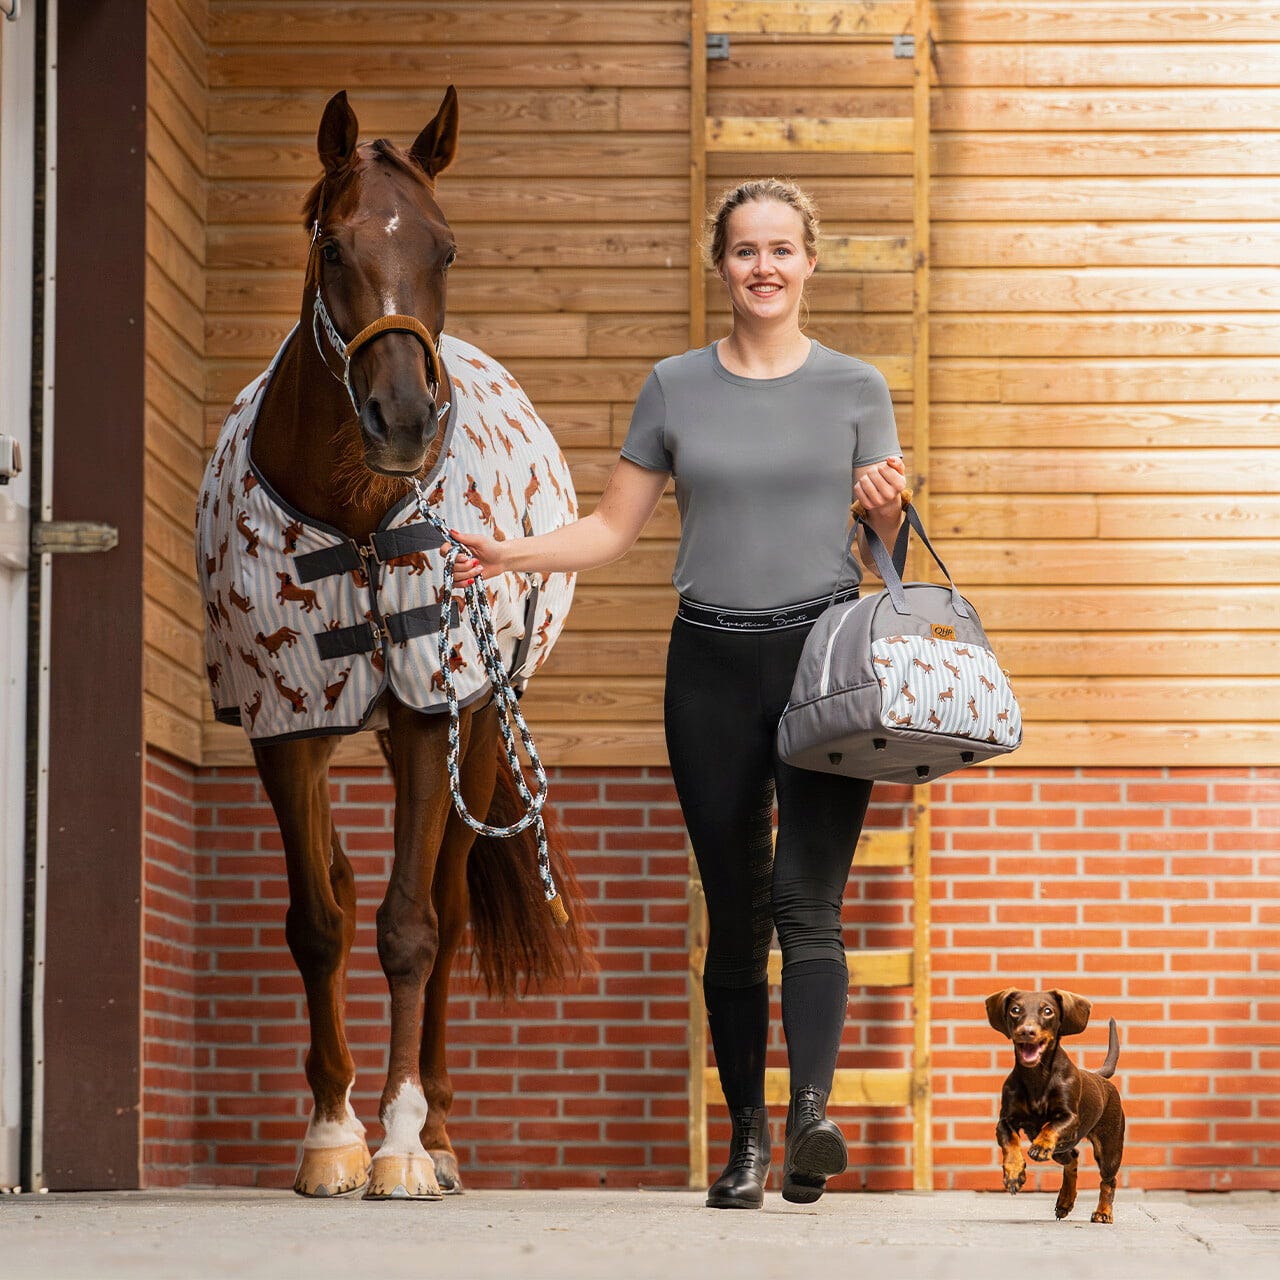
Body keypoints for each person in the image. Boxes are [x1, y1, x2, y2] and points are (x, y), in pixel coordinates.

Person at [445, 178, 908, 1208]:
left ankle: (809, 1122)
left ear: (809, 262)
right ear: (720, 265)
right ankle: (744, 1143)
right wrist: (509, 551)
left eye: (781, 249)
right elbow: (610, 530)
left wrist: (888, 511)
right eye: (744, 250)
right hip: (708, 667)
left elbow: (884, 559)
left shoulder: (856, 387)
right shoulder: (673, 386)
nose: (763, 267)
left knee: (808, 903)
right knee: (737, 915)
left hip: (823, 661)